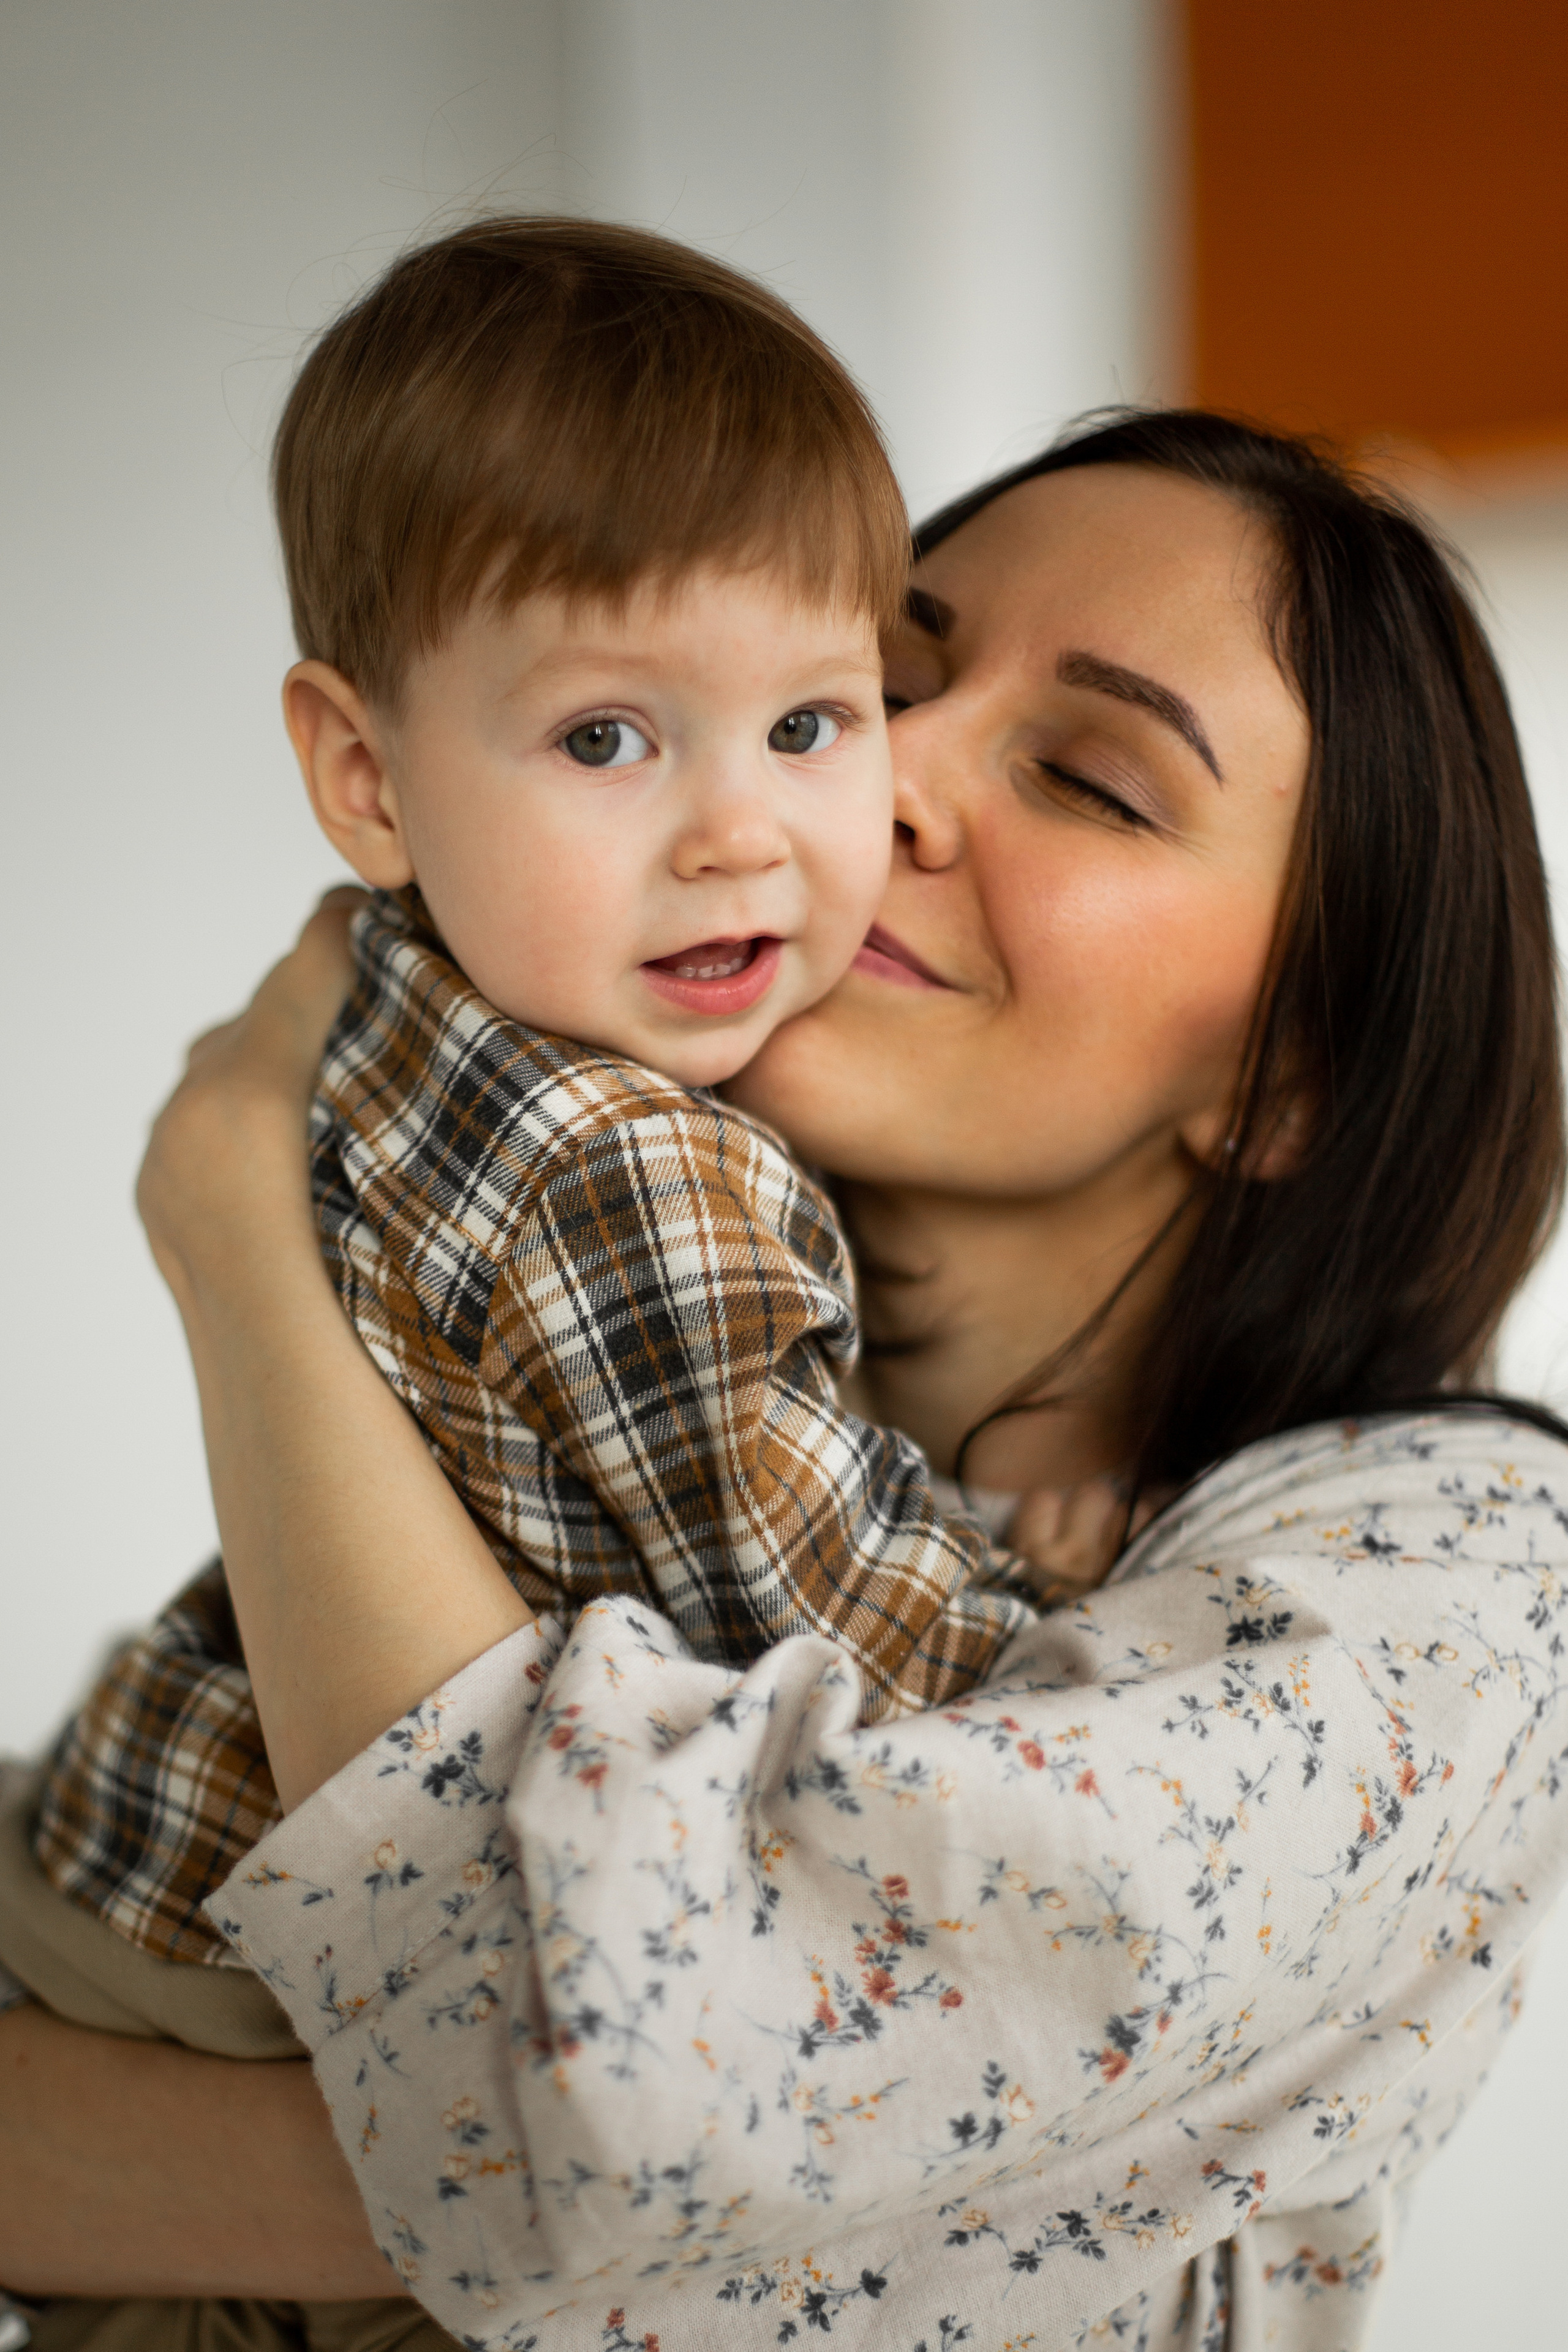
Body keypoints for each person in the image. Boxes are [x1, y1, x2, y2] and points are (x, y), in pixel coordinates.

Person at [6, 411, 1567, 2352]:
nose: (883, 778)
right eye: (867, 686)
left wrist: (239, 1235)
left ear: (1290, 1078)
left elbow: (589, 2098)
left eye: (1090, 779)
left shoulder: (1459, 1588)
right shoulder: (583, 1349)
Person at [9, 216, 1078, 2132]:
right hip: (231, 1990)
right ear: (365, 775)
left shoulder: (398, 994)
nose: (739, 831)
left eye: (811, 723)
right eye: (606, 738)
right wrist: (1064, 1591)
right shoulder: (623, 1165)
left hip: (135, 1850)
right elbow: (852, 1652)